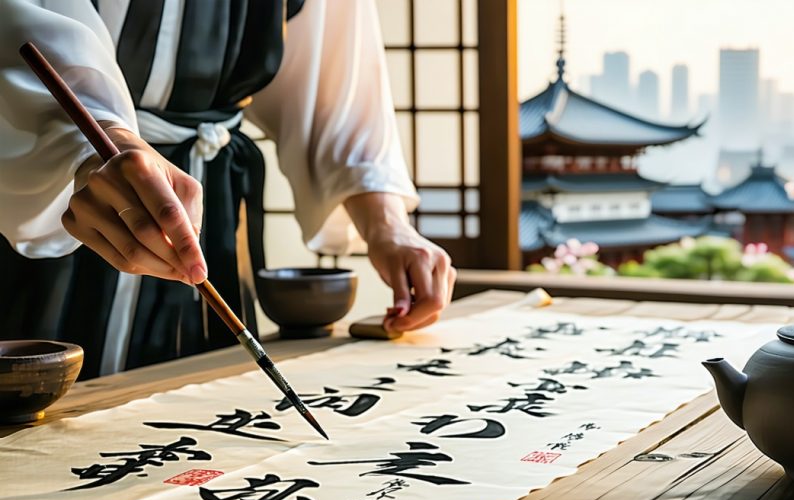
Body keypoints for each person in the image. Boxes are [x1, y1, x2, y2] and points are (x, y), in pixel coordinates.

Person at [0, 0, 456, 379]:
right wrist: (94, 142)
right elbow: (21, 29)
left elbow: (332, 80)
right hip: (48, 194)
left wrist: (387, 224)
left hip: (213, 199)